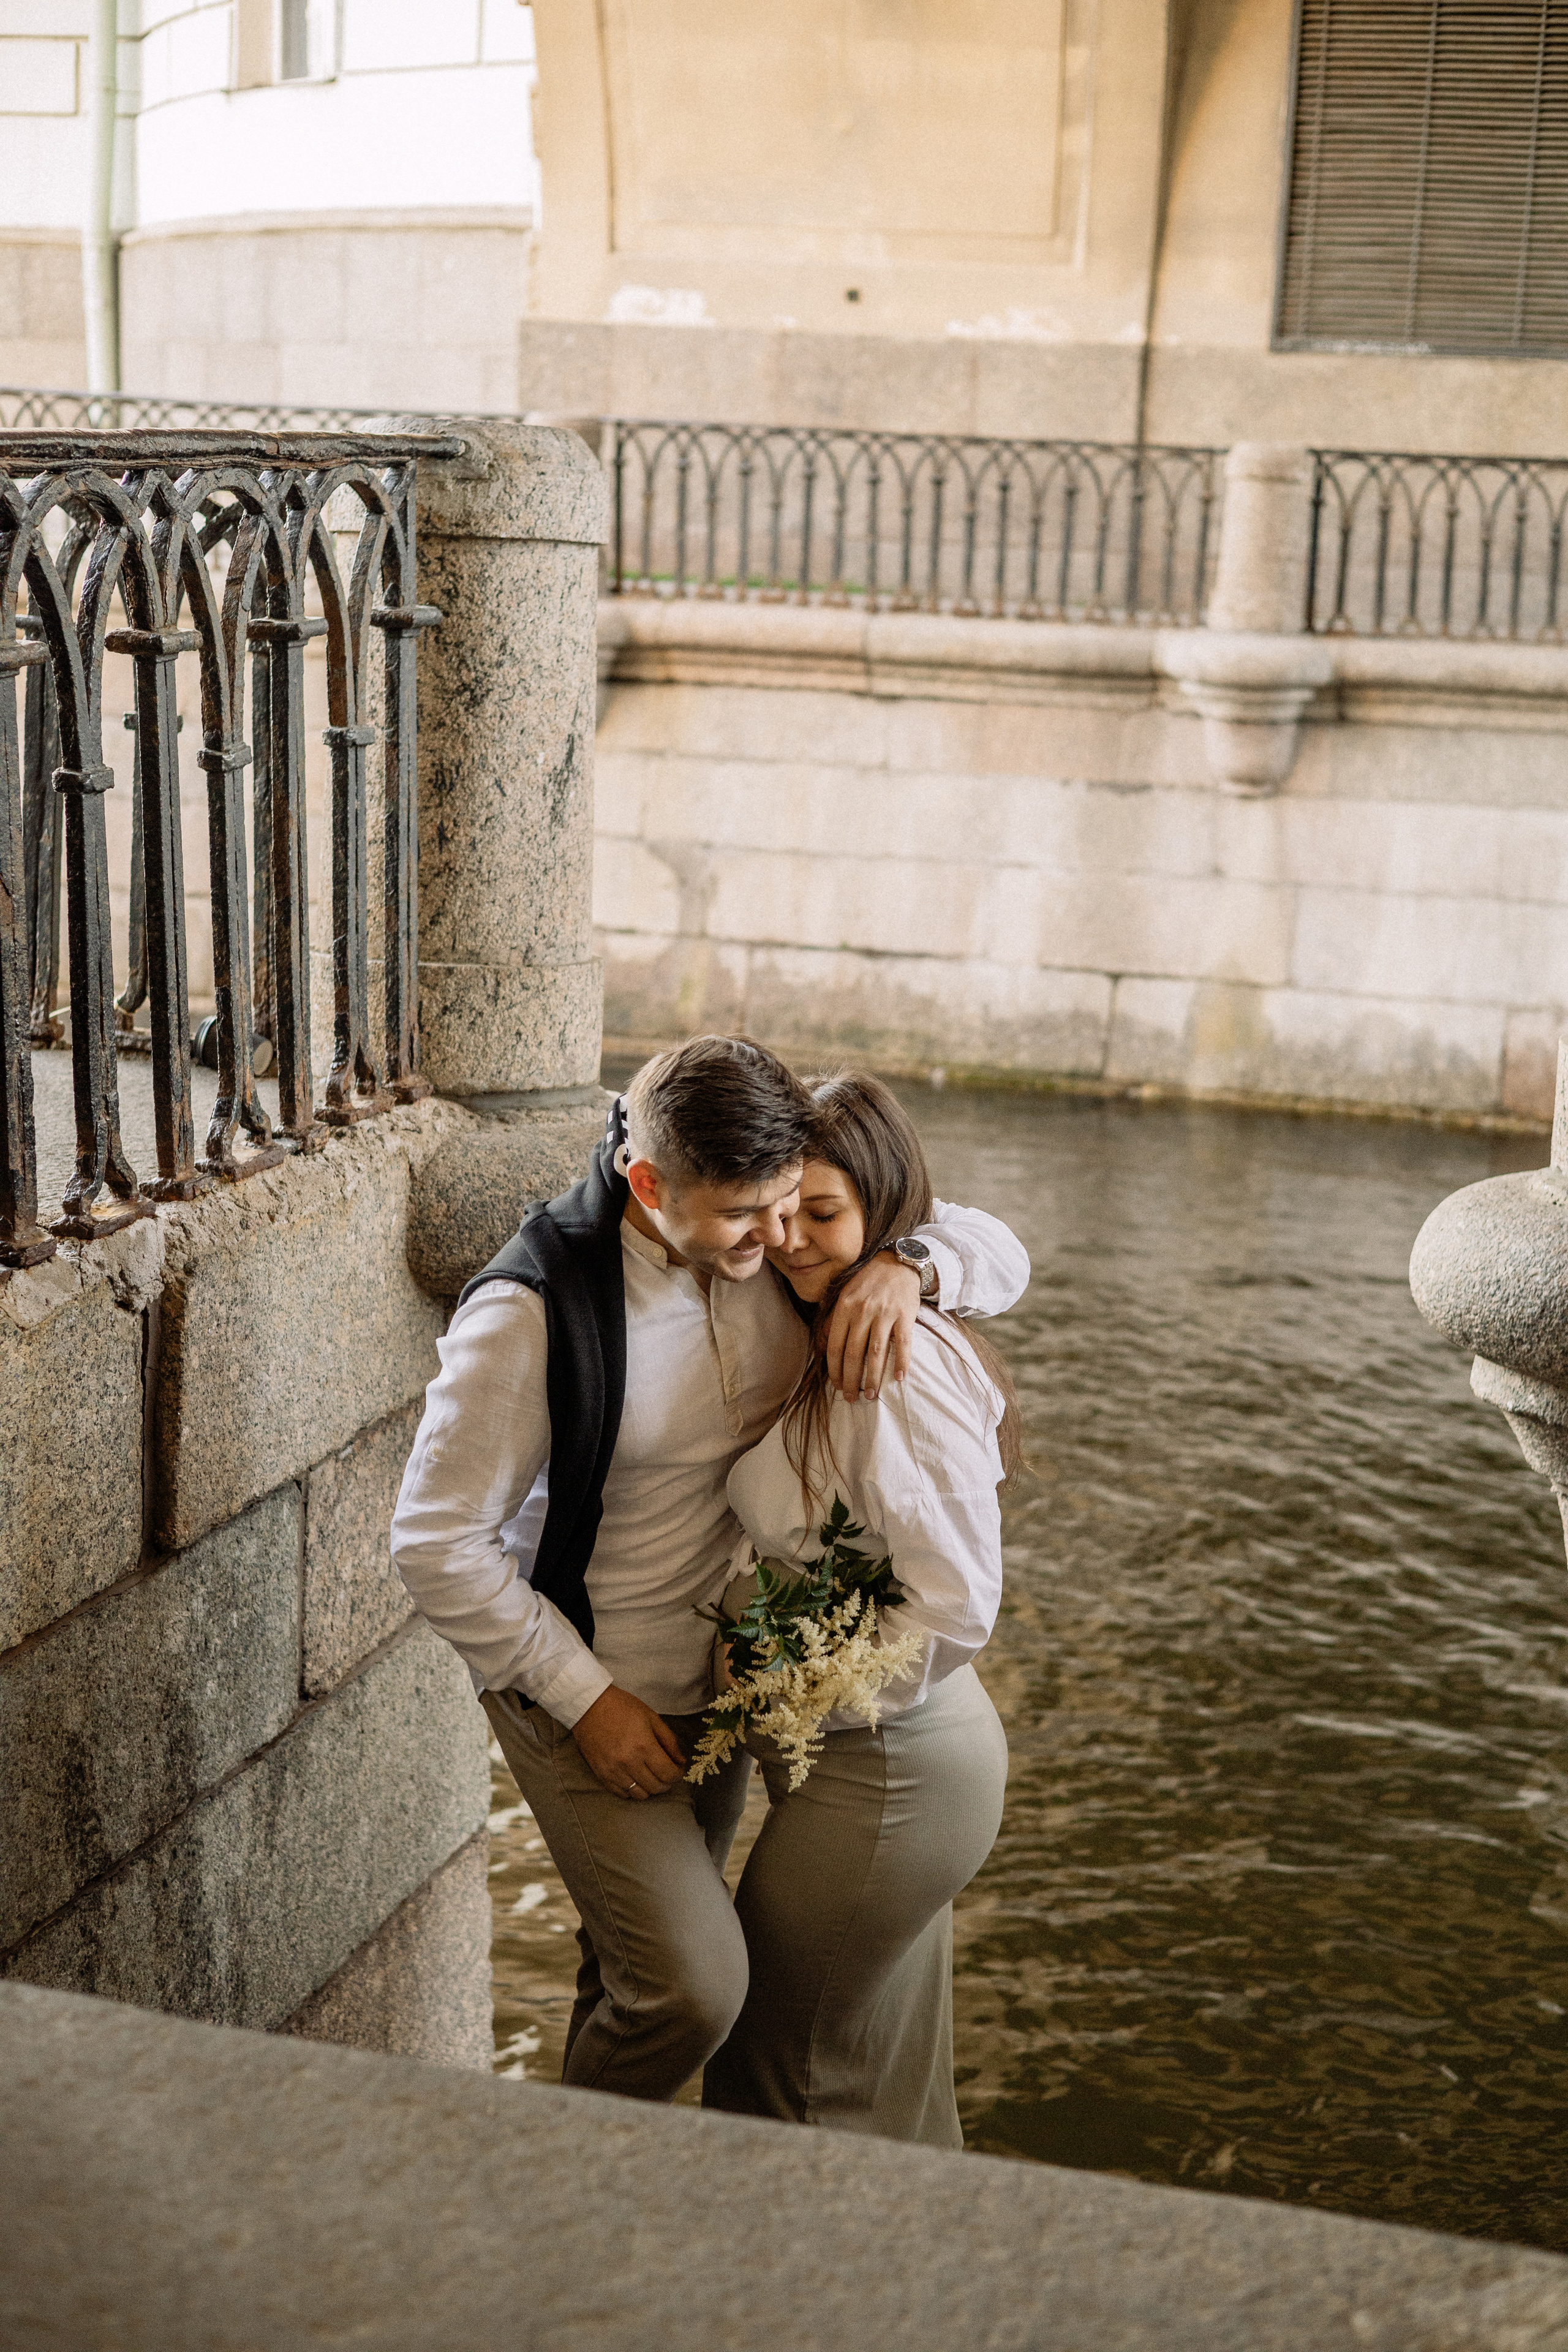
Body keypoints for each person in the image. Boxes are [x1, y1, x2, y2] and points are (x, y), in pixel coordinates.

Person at [390, 1035, 1028, 2105]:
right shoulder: (529, 1312)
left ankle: (620, 2217)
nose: (777, 1238)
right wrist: (586, 1702)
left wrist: (908, 1266)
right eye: (747, 1216)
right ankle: (552, 2198)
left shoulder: (776, 1232)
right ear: (648, 1183)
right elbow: (434, 1541)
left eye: (791, 1208)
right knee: (691, 1988)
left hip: (724, 1692)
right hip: (592, 1684)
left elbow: (987, 1240)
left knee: (630, 1975)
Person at [703, 1070, 1019, 2148]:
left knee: (783, 2070)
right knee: (876, 2076)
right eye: (782, 1208)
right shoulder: (827, 1308)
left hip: (892, 1765)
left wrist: (798, 1697)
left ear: (883, 1212)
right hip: (875, 1757)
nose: (789, 1239)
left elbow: (953, 1602)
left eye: (825, 1216)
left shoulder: (892, 1363)